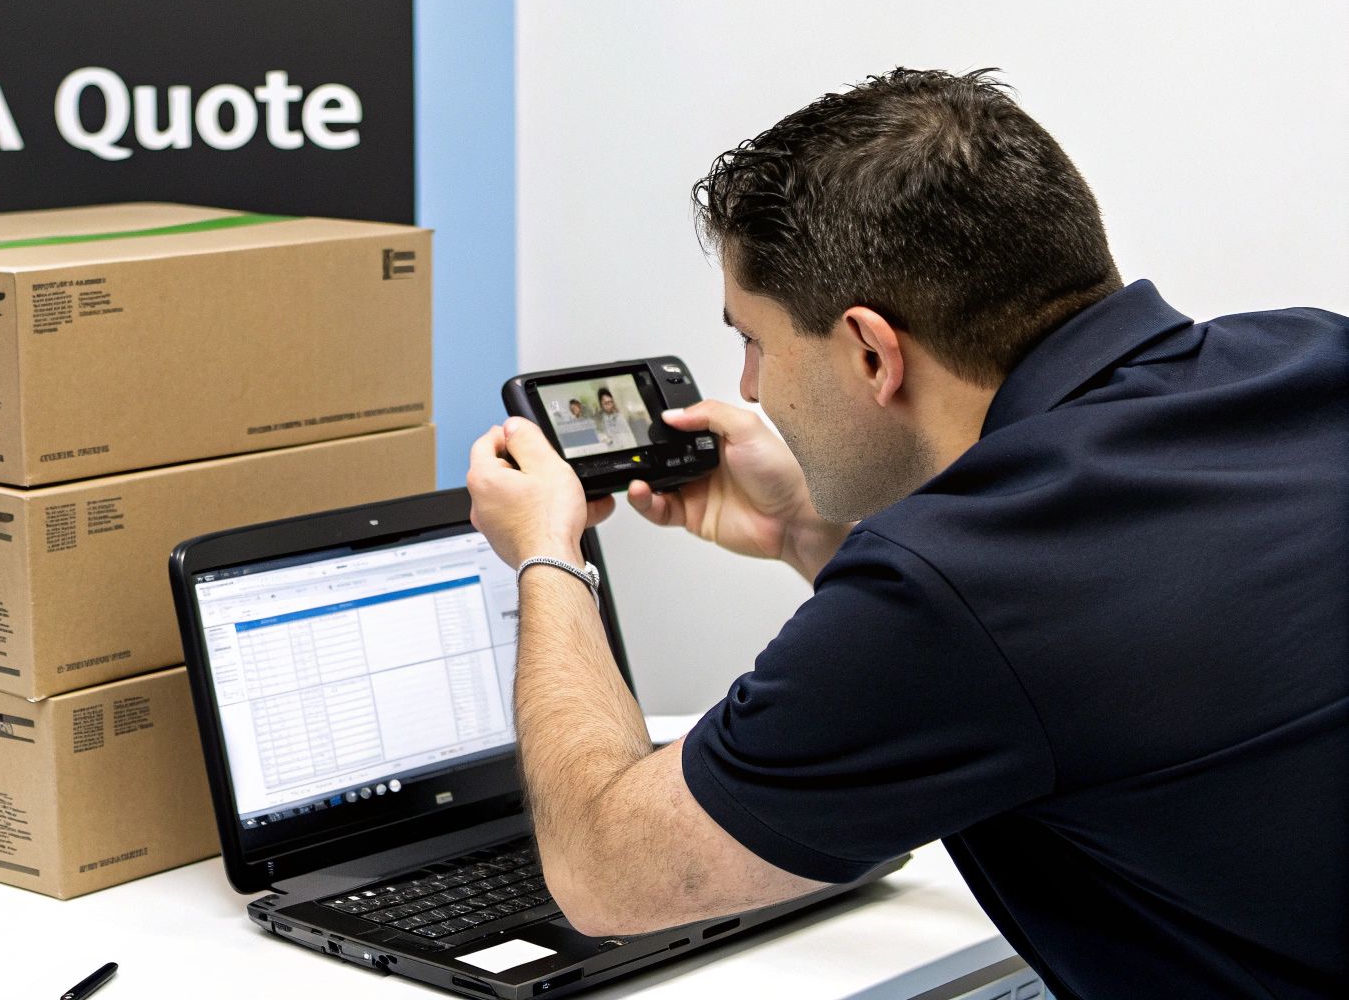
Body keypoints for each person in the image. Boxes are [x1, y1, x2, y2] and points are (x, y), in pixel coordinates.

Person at [465, 68, 1346, 999]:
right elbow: (1061, 669)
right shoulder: (1311, 353)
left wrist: (550, 557)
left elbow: (606, 870)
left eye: (757, 340)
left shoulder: (957, 587)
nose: (754, 387)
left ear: (872, 352)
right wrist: (808, 529)